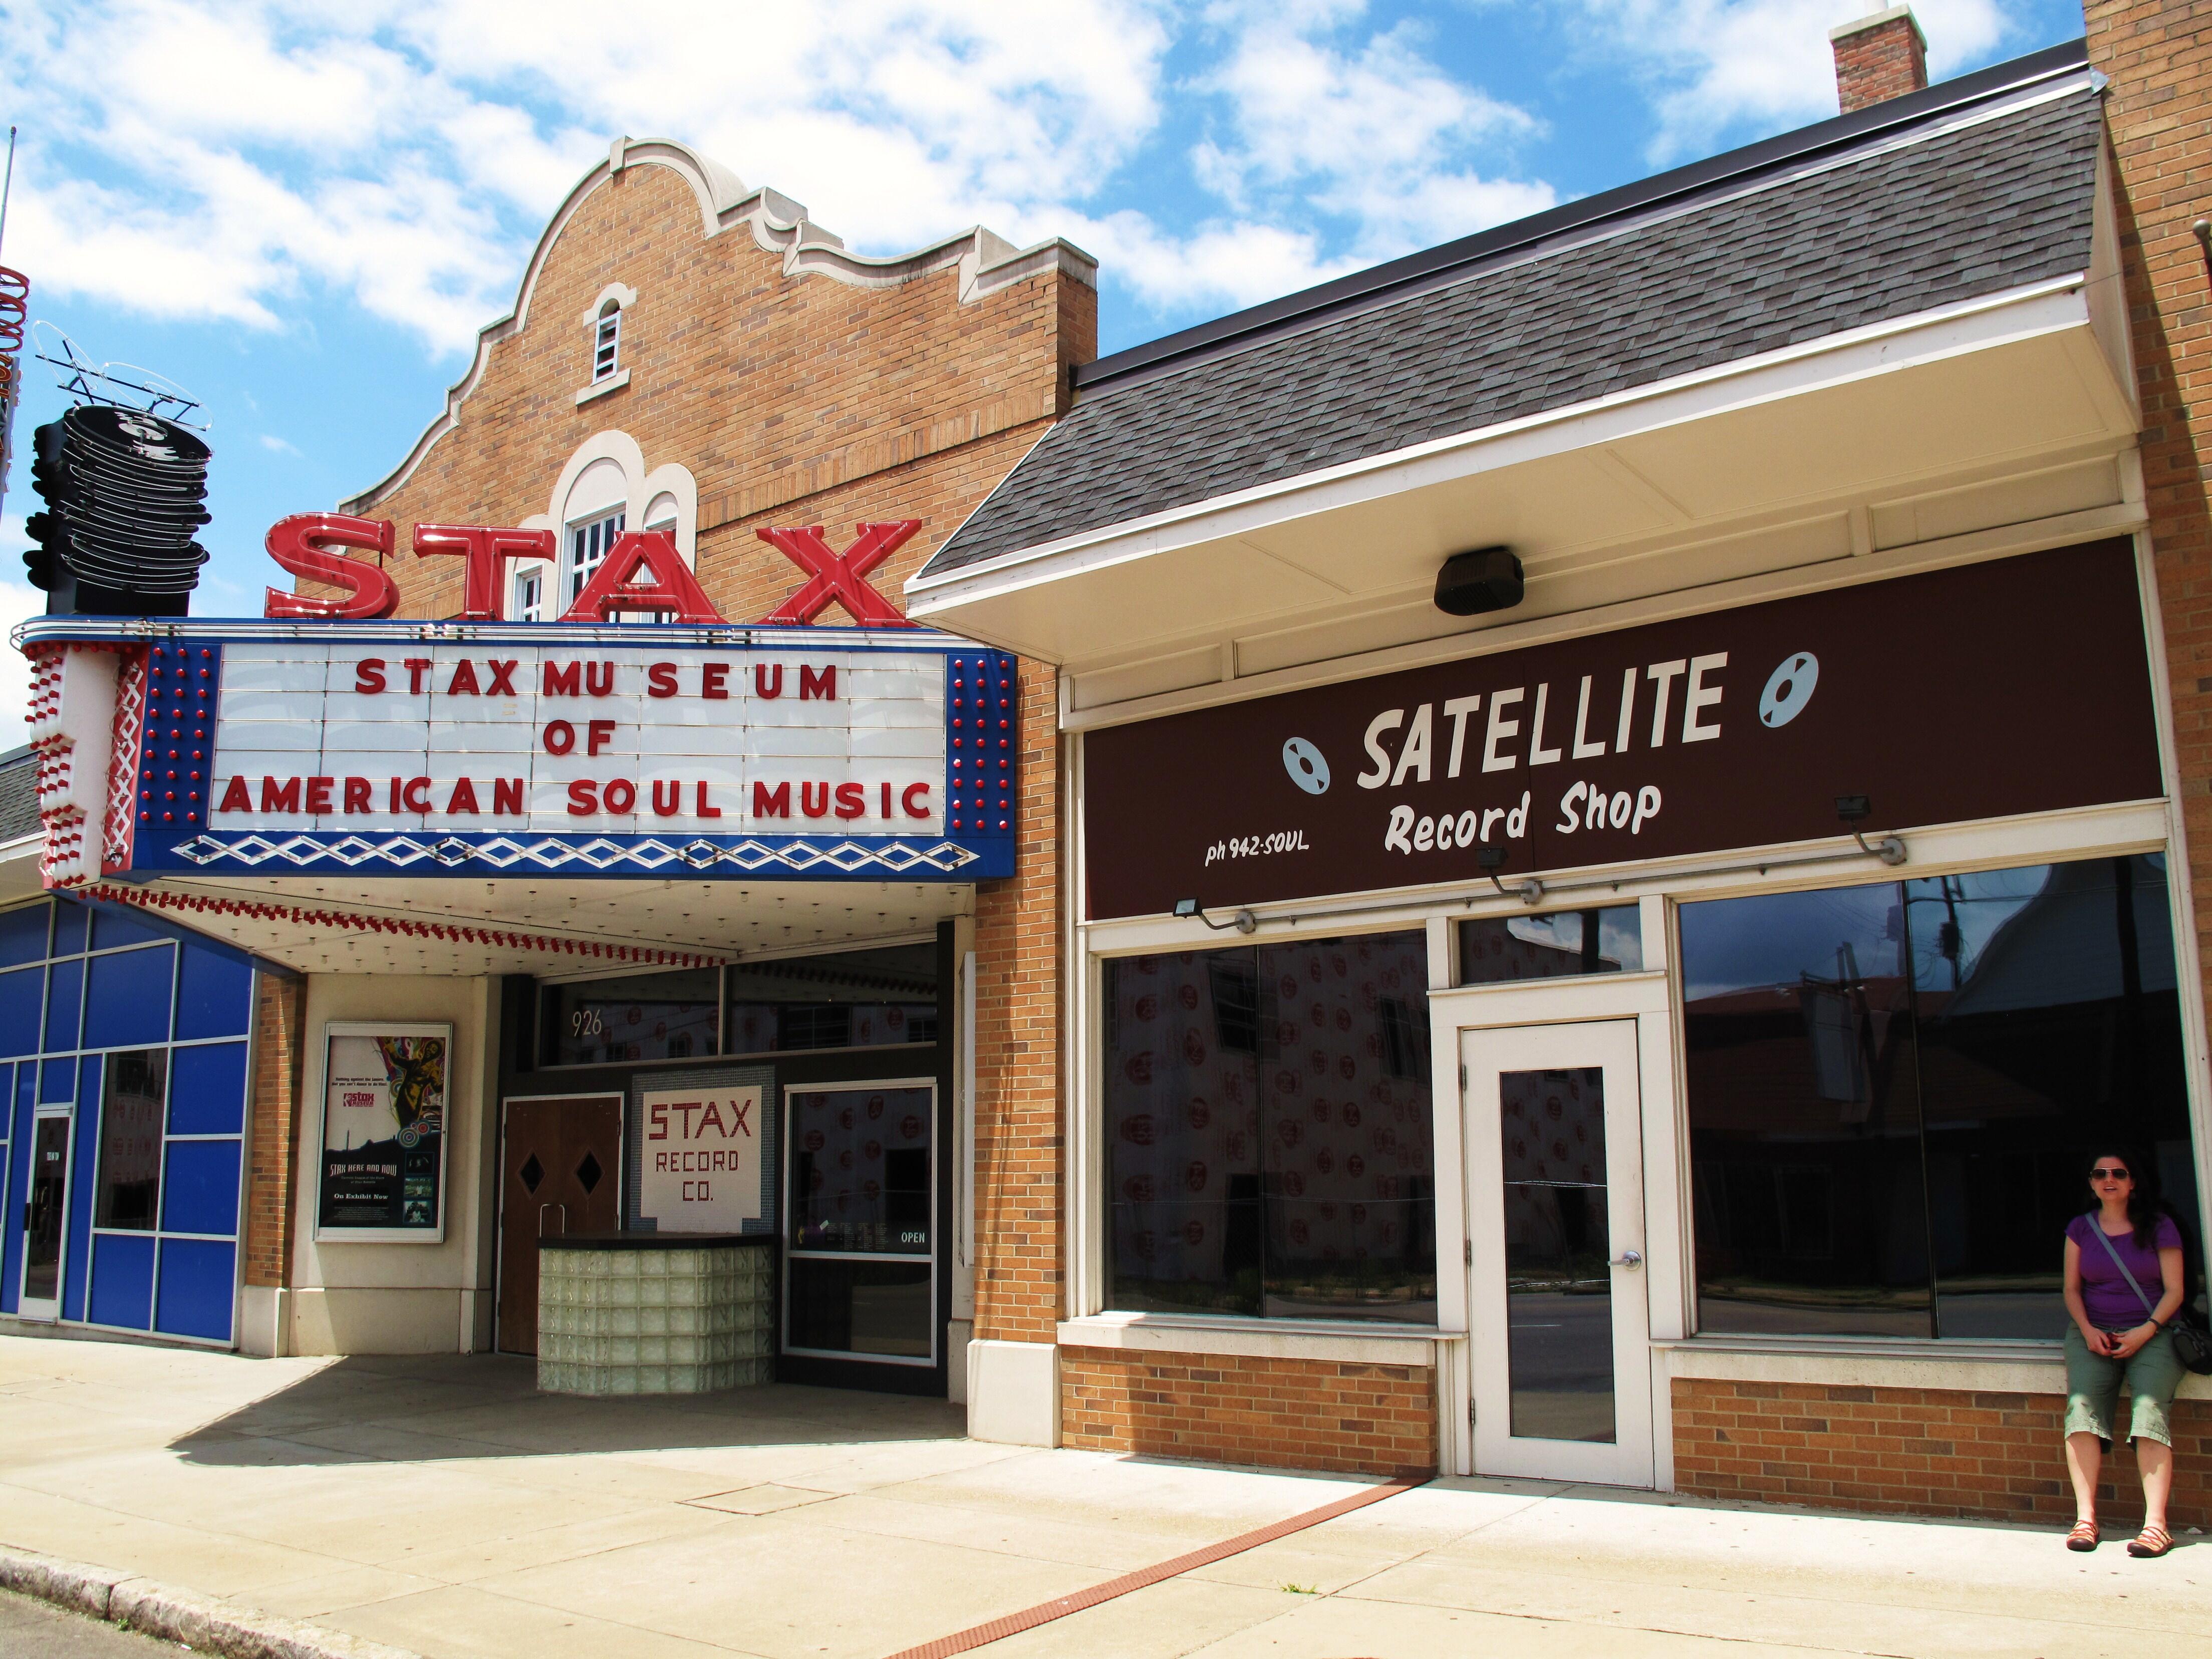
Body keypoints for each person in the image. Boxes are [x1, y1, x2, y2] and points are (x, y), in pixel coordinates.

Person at [2062, 1147, 2186, 1557]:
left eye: (2119, 1173)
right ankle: (2086, 1519)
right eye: (2100, 1173)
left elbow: (2175, 1291)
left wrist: (2146, 1330)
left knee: (2149, 1411)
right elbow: (2072, 1290)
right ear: (2092, 1183)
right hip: (2093, 1333)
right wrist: (2087, 1330)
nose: (2108, 1179)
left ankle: (2156, 1527)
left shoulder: (2160, 1227)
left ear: (2134, 1183)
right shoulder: (2080, 1229)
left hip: (2152, 1332)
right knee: (2082, 1413)